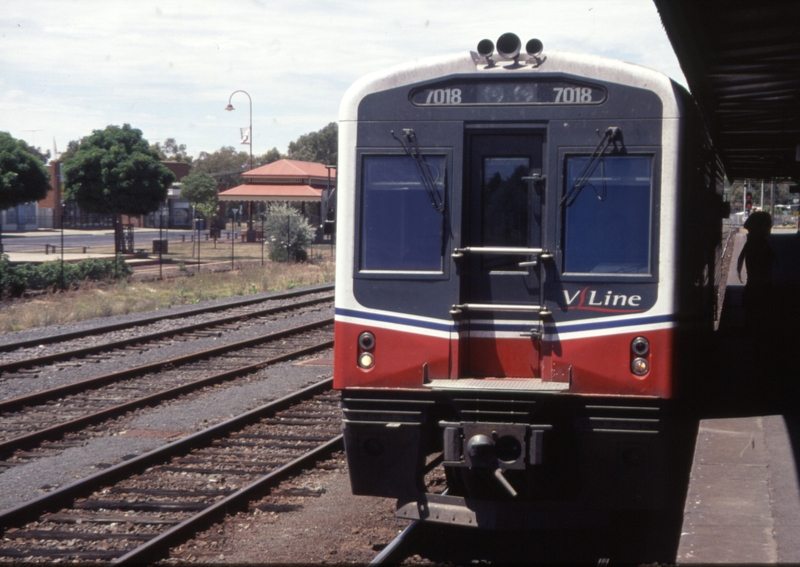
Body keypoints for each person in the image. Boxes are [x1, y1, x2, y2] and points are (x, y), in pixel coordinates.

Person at [737, 211, 776, 332]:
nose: (771, 225)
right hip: (760, 289)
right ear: (760, 226)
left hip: (754, 288)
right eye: (768, 223)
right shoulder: (759, 245)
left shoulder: (752, 243)